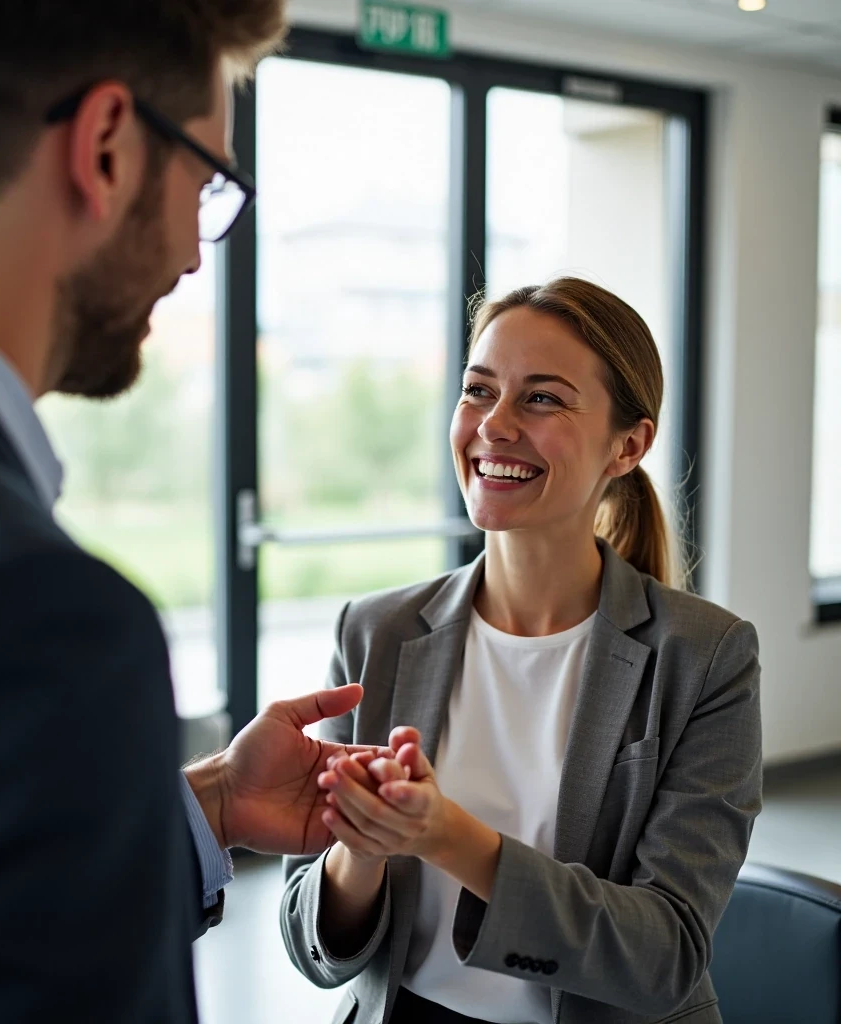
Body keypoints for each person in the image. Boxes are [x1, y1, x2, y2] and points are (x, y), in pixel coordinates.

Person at [0, 2, 392, 1021]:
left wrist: (203, 802)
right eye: (209, 181)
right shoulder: (27, 614)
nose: (194, 254)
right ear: (108, 147)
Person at [281, 278, 763, 1024]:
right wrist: (365, 848)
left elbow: (664, 956)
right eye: (479, 390)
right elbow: (313, 942)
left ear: (627, 445)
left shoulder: (706, 658)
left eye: (542, 398)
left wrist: (448, 838)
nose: (495, 424)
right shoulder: (375, 632)